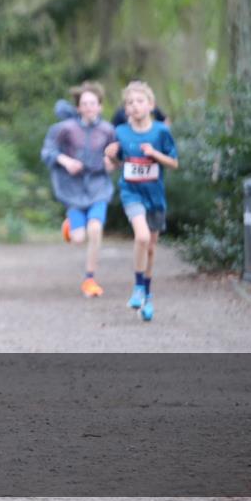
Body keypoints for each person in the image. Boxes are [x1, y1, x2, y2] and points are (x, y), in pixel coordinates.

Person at [104, 81, 179, 322]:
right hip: (131, 193)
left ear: (151, 105)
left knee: (151, 249)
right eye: (130, 103)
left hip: (154, 197)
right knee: (142, 237)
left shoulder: (161, 131)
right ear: (125, 109)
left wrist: (154, 154)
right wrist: (111, 156)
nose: (134, 106)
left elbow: (174, 163)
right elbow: (119, 163)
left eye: (139, 101)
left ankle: (147, 295)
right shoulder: (120, 132)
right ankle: (137, 288)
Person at [40, 82, 116, 298]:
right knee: (78, 238)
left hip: (98, 188)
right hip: (73, 191)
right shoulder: (65, 129)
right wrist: (66, 162)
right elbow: (47, 152)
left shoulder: (108, 130)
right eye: (85, 104)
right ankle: (69, 227)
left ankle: (89, 279)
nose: (89, 107)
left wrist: (112, 162)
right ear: (78, 107)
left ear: (100, 106)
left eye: (93, 103)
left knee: (95, 229)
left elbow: (117, 156)